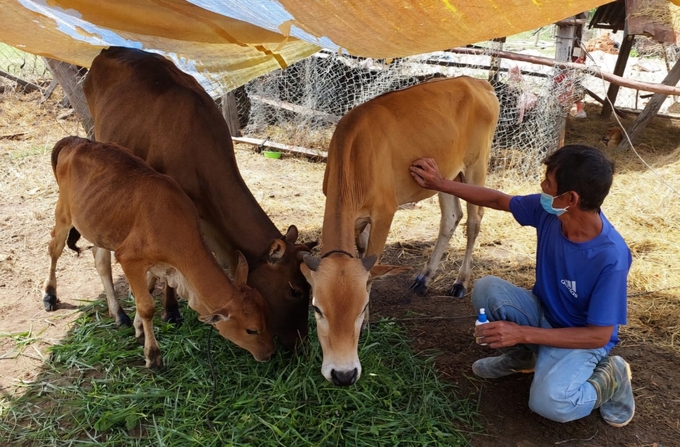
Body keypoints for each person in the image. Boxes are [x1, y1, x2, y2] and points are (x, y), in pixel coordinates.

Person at [409, 144, 634, 427]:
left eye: (548, 182)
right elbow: (497, 200)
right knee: (487, 288)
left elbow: (598, 336)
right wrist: (442, 183)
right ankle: (524, 357)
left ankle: (611, 377)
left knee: (551, 403)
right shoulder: (552, 213)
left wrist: (521, 332)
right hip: (543, 313)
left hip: (580, 340)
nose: (542, 185)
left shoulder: (610, 256)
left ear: (571, 198)